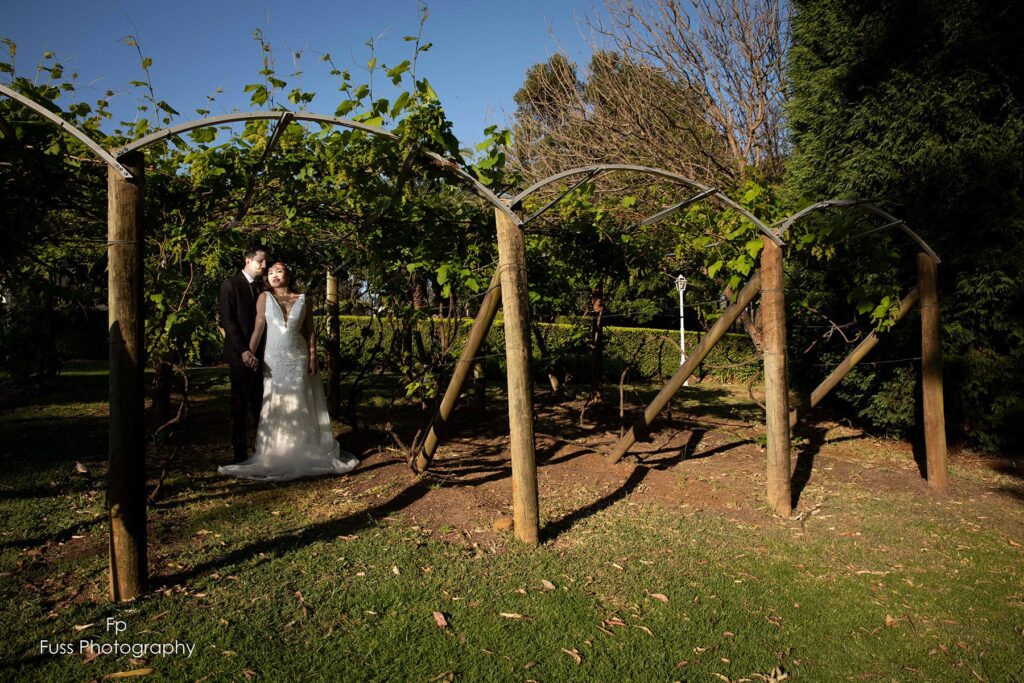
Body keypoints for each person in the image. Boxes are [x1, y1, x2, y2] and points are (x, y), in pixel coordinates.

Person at [218, 261, 358, 481]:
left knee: (300, 398)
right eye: (270, 272)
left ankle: (304, 448)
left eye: (279, 271)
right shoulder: (264, 298)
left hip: (299, 355)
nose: (273, 274)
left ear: (288, 274)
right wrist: (250, 353)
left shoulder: (304, 299)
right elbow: (258, 327)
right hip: (273, 357)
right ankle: (276, 451)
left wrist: (312, 357)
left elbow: (310, 331)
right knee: (275, 398)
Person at [219, 243, 269, 464]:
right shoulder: (230, 285)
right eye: (261, 261)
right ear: (247, 260)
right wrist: (244, 351)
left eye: (266, 261)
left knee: (260, 404)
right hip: (239, 357)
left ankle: (261, 450)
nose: (264, 266)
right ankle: (239, 454)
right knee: (239, 406)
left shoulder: (262, 289)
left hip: (261, 356)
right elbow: (228, 322)